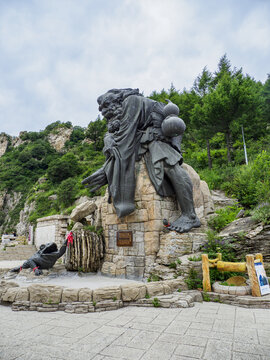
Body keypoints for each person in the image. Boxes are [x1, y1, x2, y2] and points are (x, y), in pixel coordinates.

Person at [82, 88, 200, 233]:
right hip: (144, 141)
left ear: (117, 101)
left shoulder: (132, 102)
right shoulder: (120, 113)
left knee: (168, 164)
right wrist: (108, 140)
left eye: (106, 105)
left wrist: (106, 169)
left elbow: (126, 136)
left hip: (160, 137)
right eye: (101, 109)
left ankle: (190, 215)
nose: (103, 111)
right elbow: (114, 133)